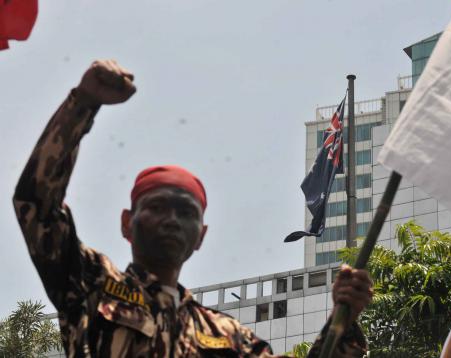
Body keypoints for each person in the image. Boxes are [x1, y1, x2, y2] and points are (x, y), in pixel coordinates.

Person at [13, 60, 373, 357]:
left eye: (186, 212)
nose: (172, 218)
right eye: (157, 206)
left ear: (201, 236)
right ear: (127, 223)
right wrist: (83, 103)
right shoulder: (91, 285)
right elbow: (37, 206)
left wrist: (344, 318)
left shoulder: (227, 337)